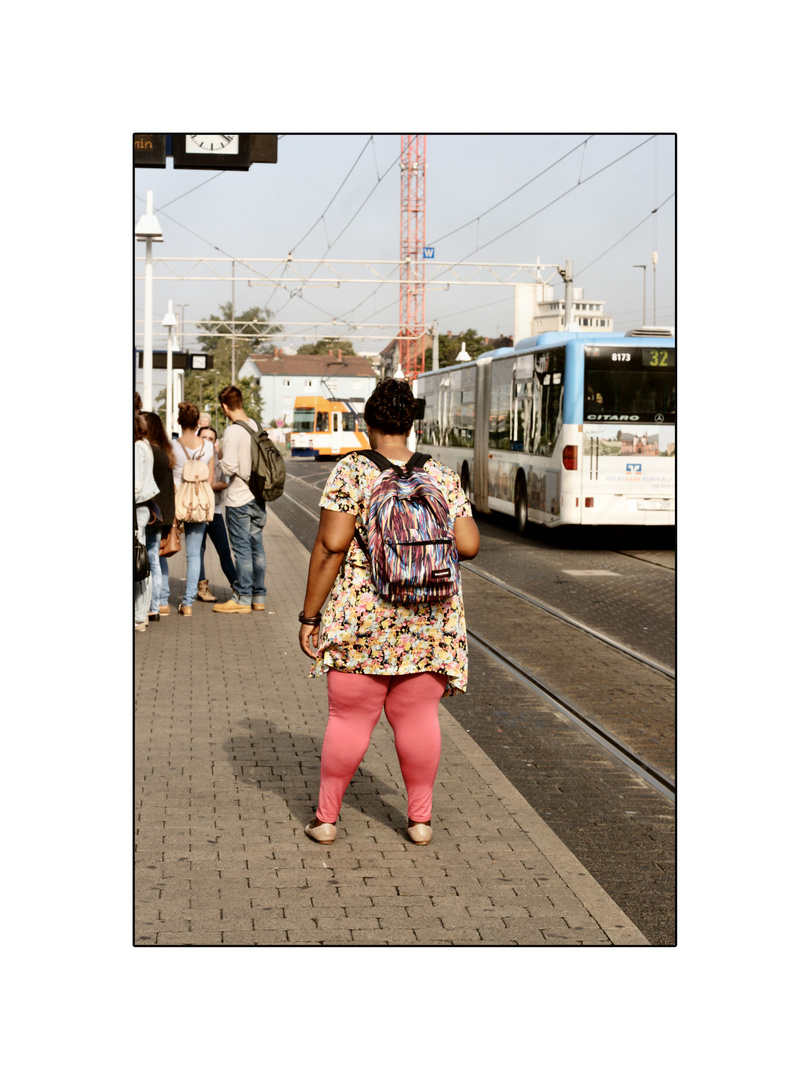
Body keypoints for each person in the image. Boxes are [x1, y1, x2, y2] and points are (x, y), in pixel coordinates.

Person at [298, 378, 480, 846]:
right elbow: (469, 544)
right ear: (412, 423)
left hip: (363, 619)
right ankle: (419, 821)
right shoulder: (439, 474)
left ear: (367, 423)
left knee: (349, 719)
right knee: (419, 719)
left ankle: (327, 820)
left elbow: (331, 545)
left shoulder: (352, 472)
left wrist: (310, 617)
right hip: (430, 621)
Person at [213, 386, 267, 614]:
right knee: (257, 547)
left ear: (225, 407)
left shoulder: (233, 432)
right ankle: (258, 596)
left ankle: (242, 598)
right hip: (258, 497)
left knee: (242, 549)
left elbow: (231, 467)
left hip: (238, 499)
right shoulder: (256, 425)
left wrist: (219, 457)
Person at [172, 401, 215, 616]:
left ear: (179, 421)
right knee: (194, 555)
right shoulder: (208, 447)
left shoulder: (172, 446)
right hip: (199, 504)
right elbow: (211, 478)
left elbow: (169, 480)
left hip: (177, 504)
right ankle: (187, 603)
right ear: (198, 422)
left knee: (162, 550)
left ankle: (160, 600)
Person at [141, 411, 176, 620]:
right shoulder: (165, 451)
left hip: (150, 513)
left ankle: (151, 605)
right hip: (161, 513)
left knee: (149, 558)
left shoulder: (149, 452)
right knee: (154, 557)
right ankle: (159, 603)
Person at [196, 425, 237, 600]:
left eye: (210, 439)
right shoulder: (193, 459)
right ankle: (202, 588)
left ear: (215, 442)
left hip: (215, 510)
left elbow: (225, 483)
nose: (207, 441)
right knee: (198, 551)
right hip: (196, 511)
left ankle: (237, 586)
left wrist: (202, 484)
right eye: (203, 437)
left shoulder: (218, 461)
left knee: (224, 550)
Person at [135, 410, 159, 632]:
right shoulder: (144, 446)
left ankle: (139, 615)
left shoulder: (137, 448)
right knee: (140, 560)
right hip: (142, 509)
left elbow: (136, 486)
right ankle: (139, 615)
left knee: (139, 562)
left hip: (136, 509)